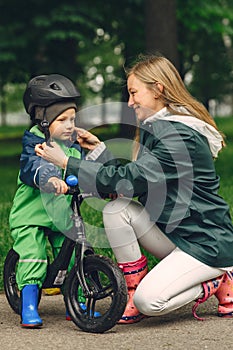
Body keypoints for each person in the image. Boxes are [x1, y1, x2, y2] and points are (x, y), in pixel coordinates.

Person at [35, 54, 233, 325]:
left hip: (205, 243)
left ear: (158, 89)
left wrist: (68, 162)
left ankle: (216, 279)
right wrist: (100, 150)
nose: (129, 102)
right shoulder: (161, 128)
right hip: (177, 235)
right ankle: (133, 289)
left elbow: (129, 178)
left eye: (134, 92)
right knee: (117, 210)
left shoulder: (180, 136)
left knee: (151, 302)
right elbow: (133, 182)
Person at [9, 73, 86, 328]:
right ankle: (29, 305)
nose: (69, 125)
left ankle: (75, 301)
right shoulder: (36, 142)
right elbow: (33, 166)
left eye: (73, 119)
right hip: (32, 216)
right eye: (62, 119)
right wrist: (50, 179)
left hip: (60, 218)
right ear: (43, 120)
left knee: (76, 254)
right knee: (34, 256)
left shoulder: (74, 146)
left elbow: (82, 169)